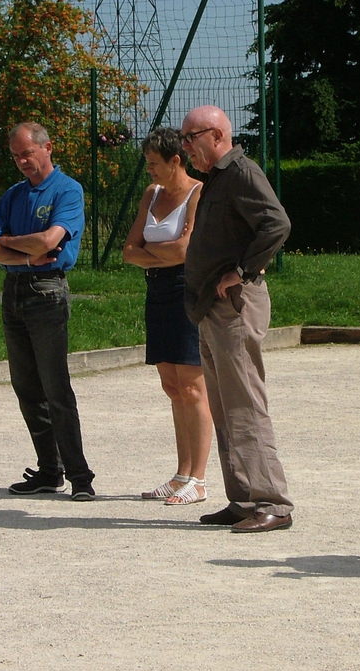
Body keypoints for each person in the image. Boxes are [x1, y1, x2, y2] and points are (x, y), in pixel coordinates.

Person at [179, 105, 294, 533]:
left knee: (245, 402)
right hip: (213, 305)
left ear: (217, 135)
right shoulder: (217, 178)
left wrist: (242, 270)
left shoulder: (242, 171)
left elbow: (277, 224)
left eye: (191, 137)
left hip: (235, 304)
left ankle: (272, 503)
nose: (185, 145)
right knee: (224, 405)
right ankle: (243, 498)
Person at [0, 122, 96, 501]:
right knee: (26, 386)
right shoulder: (13, 195)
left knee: (55, 385)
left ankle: (80, 477)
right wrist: (25, 255)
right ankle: (49, 471)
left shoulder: (68, 190)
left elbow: (50, 240)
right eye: (15, 156)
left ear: (48, 148)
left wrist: (9, 244)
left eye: (27, 153)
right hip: (14, 288)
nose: (22, 162)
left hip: (48, 292)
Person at [123, 128, 212, 505]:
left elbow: (186, 252)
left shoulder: (198, 191)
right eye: (147, 164)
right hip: (156, 290)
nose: (150, 171)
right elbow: (129, 250)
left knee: (192, 386)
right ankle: (181, 473)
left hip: (185, 291)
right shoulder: (151, 194)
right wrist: (164, 252)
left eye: (155, 164)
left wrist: (154, 251)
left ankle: (201, 479)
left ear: (176, 160)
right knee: (171, 386)